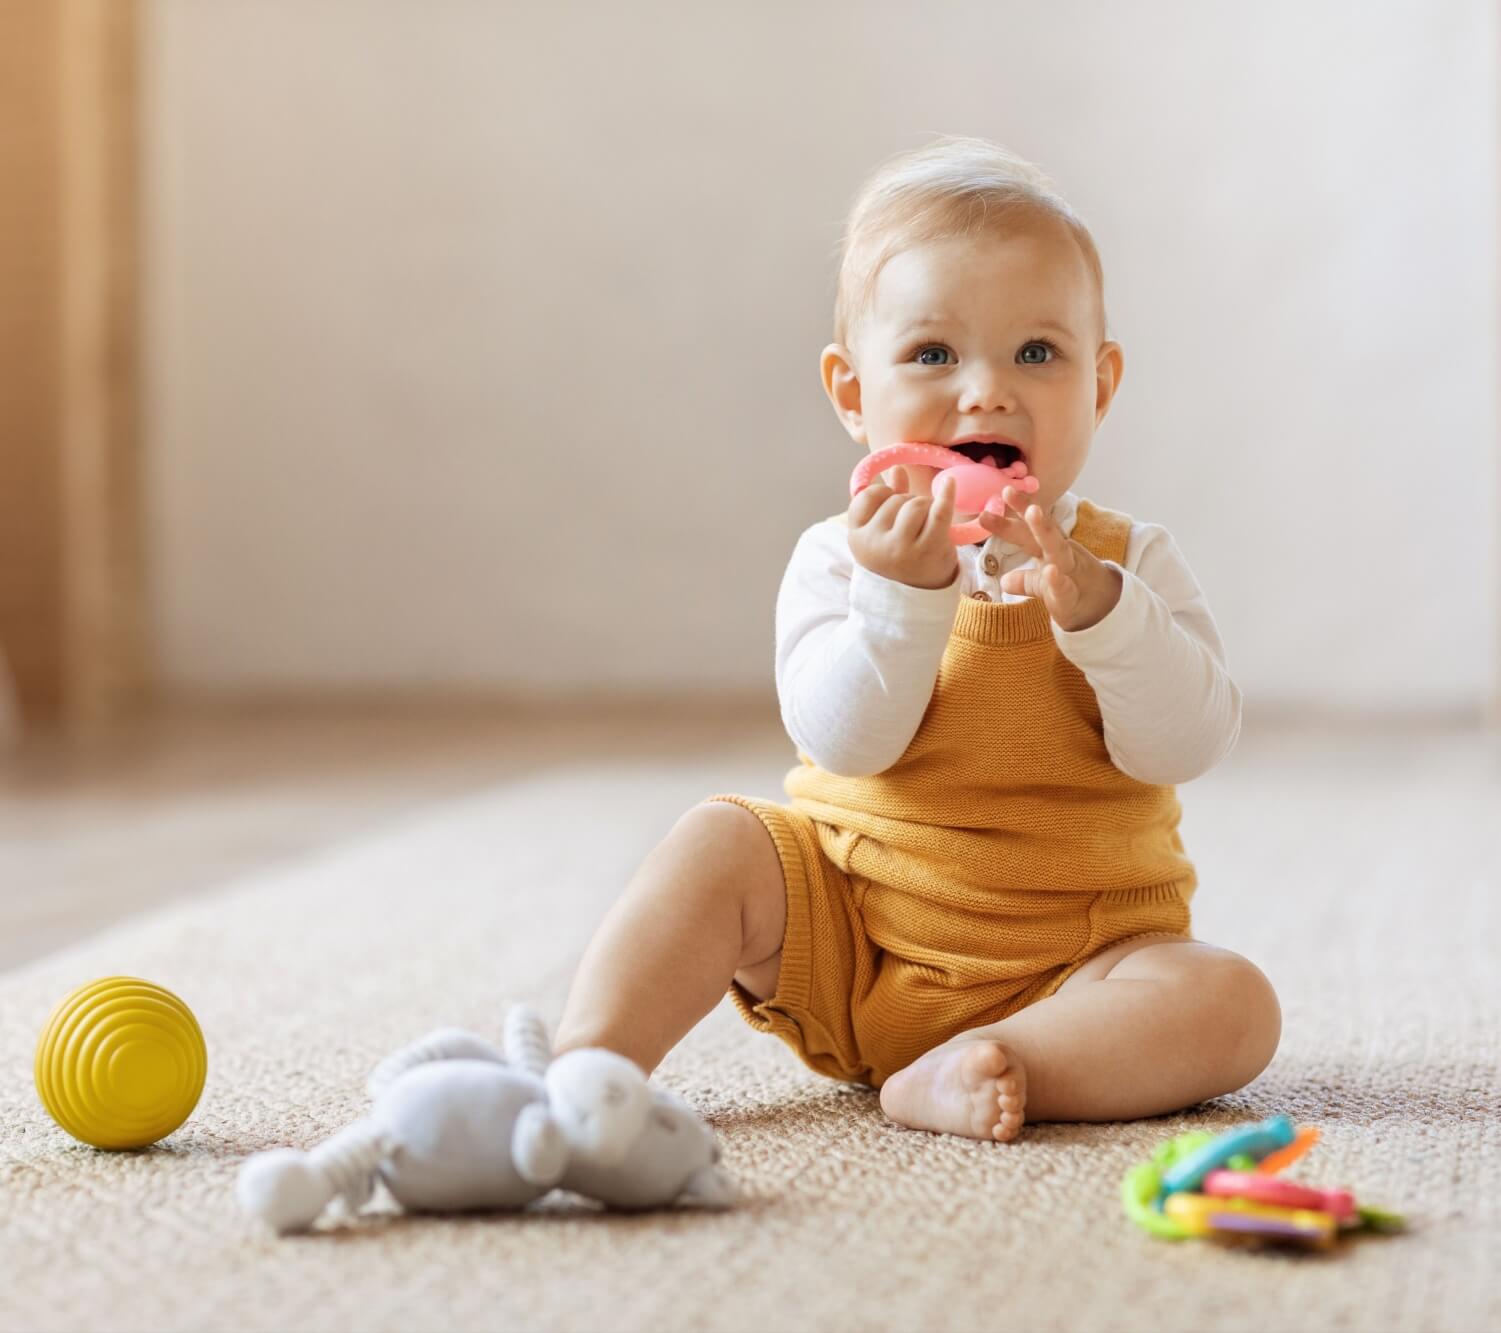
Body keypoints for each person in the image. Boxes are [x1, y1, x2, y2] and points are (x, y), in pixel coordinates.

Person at [554, 135, 1280, 1142]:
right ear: (854, 395)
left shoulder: (1127, 564)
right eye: (934, 354)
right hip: (856, 936)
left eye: (1037, 352)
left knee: (1232, 1004)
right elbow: (847, 741)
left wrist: (1099, 614)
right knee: (719, 839)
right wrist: (904, 596)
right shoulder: (839, 559)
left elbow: (1188, 743)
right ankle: (584, 1069)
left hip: (1077, 963)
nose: (986, 390)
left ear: (1100, 387)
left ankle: (991, 1065)